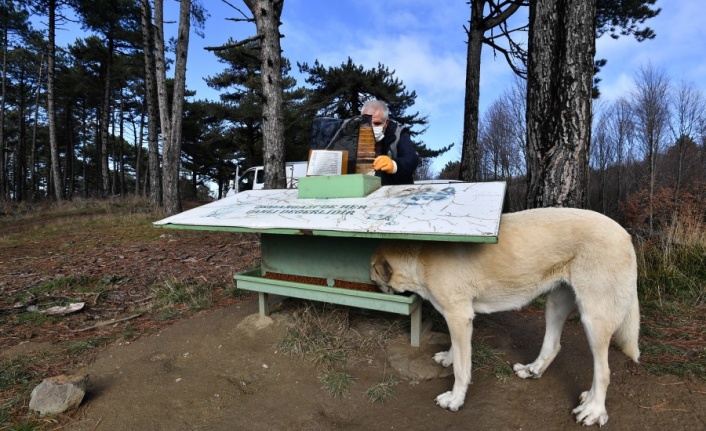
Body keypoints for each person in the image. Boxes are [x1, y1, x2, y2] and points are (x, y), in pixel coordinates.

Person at [361, 99, 419, 185]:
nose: (371, 127)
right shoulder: (354, 136)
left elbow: (412, 158)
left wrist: (394, 165)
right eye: (368, 123)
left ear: (386, 122)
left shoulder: (399, 133)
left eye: (377, 123)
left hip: (397, 189)